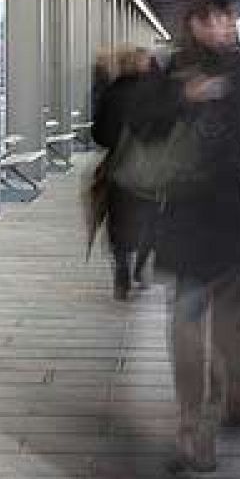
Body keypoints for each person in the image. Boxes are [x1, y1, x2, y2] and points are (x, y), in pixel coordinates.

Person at [146, 0, 240, 474]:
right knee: (187, 320)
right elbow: (143, 127)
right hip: (184, 215)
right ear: (191, 23)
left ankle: (209, 420)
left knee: (226, 326)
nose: (218, 27)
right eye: (207, 19)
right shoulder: (170, 71)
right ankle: (191, 423)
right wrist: (182, 99)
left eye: (224, 18)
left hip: (229, 214)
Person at [91, 45, 157, 299]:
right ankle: (140, 267)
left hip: (118, 167)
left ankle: (122, 270)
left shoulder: (111, 92)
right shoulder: (155, 94)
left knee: (118, 221)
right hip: (151, 168)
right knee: (151, 219)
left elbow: (99, 135)